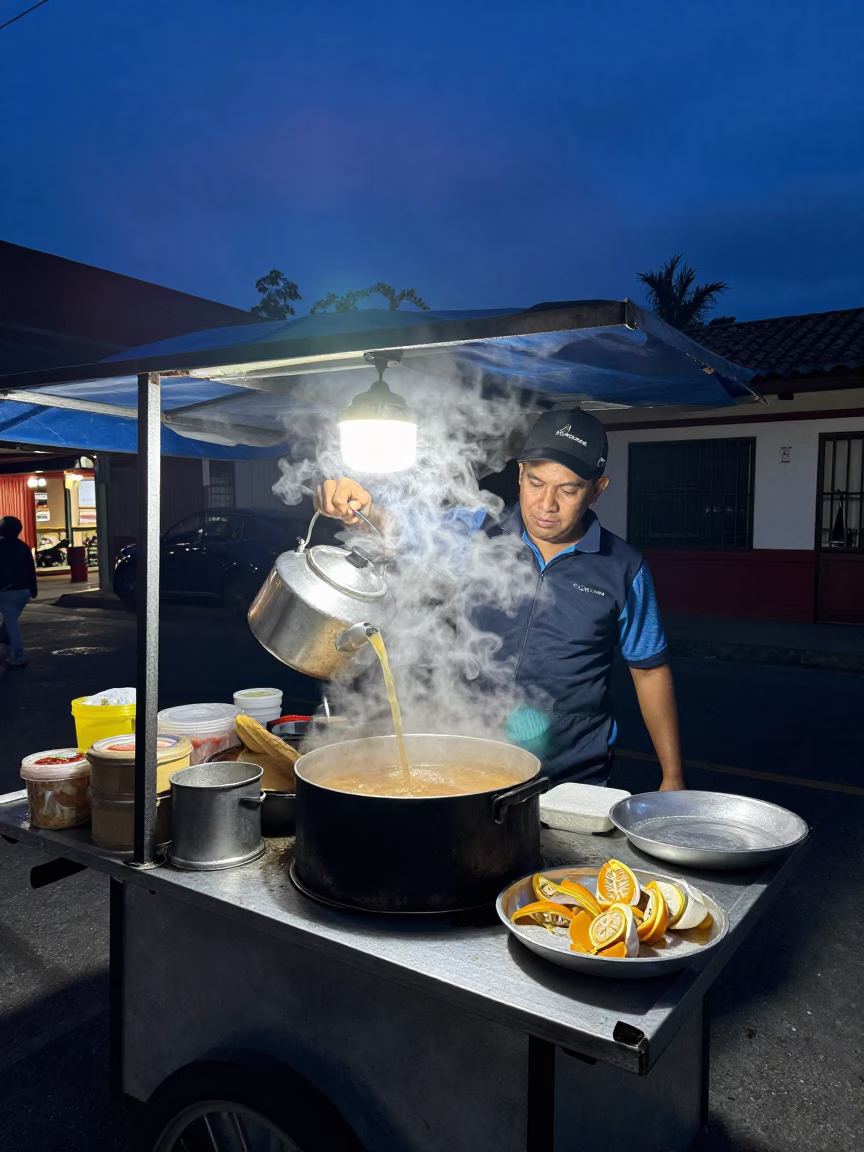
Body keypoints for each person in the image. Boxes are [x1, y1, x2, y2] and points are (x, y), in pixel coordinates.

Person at [315, 407, 685, 791]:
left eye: (568, 489)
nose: (547, 505)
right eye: (537, 483)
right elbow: (398, 526)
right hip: (471, 761)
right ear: (521, 475)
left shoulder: (623, 567)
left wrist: (672, 775)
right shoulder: (477, 531)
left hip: (573, 773)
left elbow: (650, 671)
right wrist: (358, 509)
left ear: (597, 489)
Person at [0, 516, 38, 668]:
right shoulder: (23, 546)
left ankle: (19, 655)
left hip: (6, 590)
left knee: (10, 623)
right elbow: (31, 569)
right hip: (24, 591)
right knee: (8, 621)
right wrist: (33, 589)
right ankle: (8, 653)